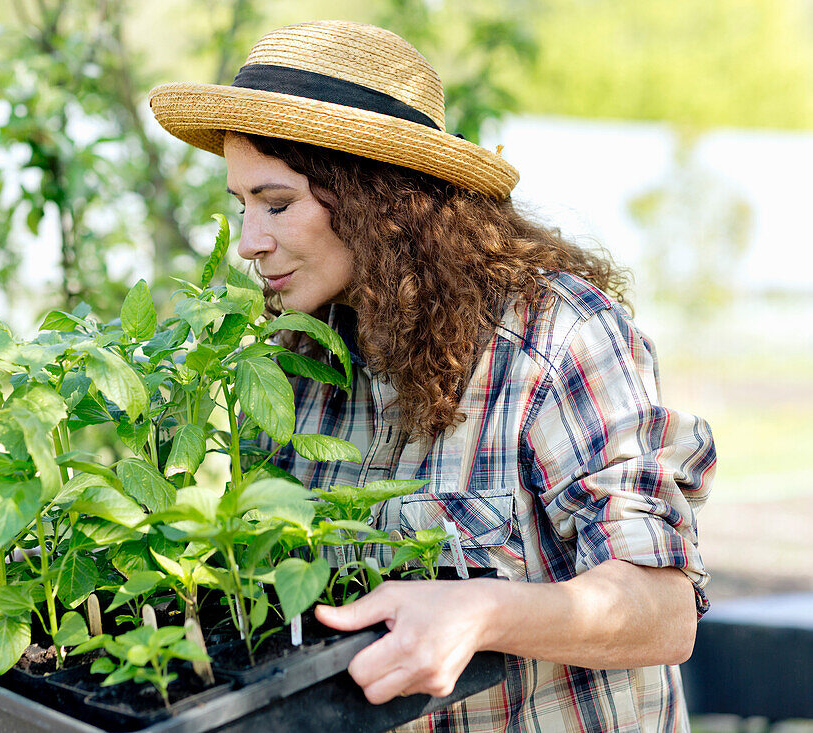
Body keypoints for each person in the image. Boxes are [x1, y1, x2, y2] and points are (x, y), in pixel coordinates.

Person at [148, 20, 715, 732]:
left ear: (375, 197)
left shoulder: (554, 336)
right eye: (241, 207)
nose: (248, 243)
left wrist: (483, 611)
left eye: (277, 203)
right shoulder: (300, 361)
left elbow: (662, 614)